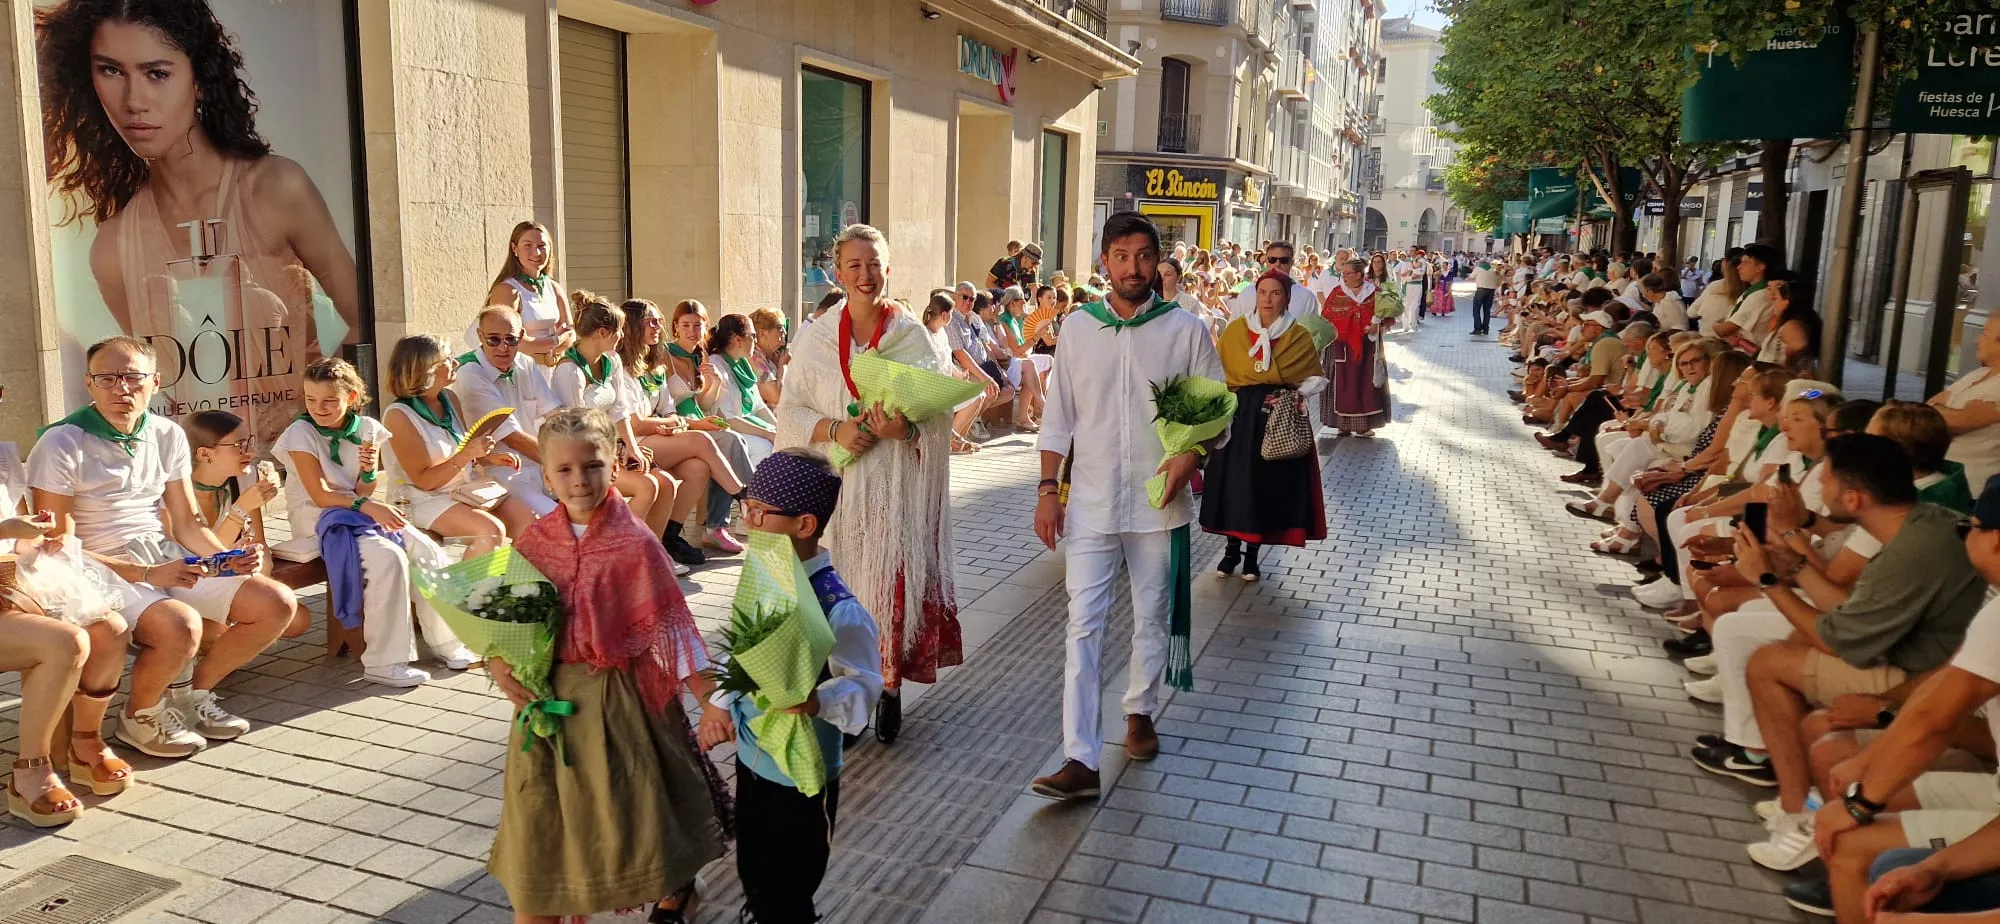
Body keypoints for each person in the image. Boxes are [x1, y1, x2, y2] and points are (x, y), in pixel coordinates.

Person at [488, 407, 730, 924]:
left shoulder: (636, 543)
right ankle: (548, 901)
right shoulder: (533, 542)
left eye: (592, 465)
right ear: (546, 476)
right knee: (542, 824)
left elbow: (673, 626)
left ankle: (676, 887)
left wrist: (711, 700)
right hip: (546, 710)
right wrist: (499, 665)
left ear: (615, 465)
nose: (579, 480)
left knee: (637, 812)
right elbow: (509, 623)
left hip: (620, 702)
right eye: (565, 469)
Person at [1032, 212, 1224, 800]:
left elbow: (1216, 412)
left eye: (1143, 256)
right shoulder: (1077, 328)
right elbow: (1058, 416)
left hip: (1158, 501)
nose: (1133, 268)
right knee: (1082, 625)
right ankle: (1079, 758)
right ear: (1104, 262)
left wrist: (1191, 456)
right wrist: (1047, 490)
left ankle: (1139, 710)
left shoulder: (1185, 330)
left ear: (1157, 261)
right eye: (1121, 256)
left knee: (1152, 613)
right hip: (1090, 499)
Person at [29, 337, 294, 758]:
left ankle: (189, 697)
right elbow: (57, 546)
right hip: (95, 570)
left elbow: (187, 522)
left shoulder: (166, 433)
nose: (121, 388)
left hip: (160, 554)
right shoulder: (62, 442)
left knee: (275, 602)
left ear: (155, 382)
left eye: (132, 377)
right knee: (181, 625)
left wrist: (226, 560)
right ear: (89, 383)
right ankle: (139, 716)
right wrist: (148, 575)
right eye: (106, 378)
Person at [775, 223, 962, 744]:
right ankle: (845, 694)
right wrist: (835, 429)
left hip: (891, 489)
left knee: (885, 591)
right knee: (836, 597)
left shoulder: (911, 336)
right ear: (838, 273)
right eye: (854, 265)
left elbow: (940, 413)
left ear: (888, 270)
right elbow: (789, 411)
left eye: (874, 264)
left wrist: (905, 430)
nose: (865, 274)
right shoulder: (817, 337)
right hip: (832, 492)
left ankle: (888, 688)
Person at [700, 449, 881, 924]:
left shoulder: (838, 608)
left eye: (761, 512)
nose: (748, 521)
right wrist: (719, 702)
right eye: (747, 507)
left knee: (793, 874)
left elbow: (865, 686)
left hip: (803, 772)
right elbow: (743, 645)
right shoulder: (766, 571)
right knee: (753, 858)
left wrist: (818, 700)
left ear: (804, 525)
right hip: (752, 755)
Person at [276, 358, 475, 687]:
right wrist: (368, 506)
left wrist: (368, 473)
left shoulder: (367, 428)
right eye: (311, 399)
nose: (318, 408)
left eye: (329, 400)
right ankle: (384, 662)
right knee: (389, 558)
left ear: (351, 397)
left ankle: (447, 644)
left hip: (359, 512)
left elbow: (363, 488)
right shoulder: (300, 432)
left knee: (428, 550)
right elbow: (321, 495)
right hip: (321, 520)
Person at [0, 511, 131, 827]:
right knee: (66, 642)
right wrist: (5, 530)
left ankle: (85, 744)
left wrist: (37, 542)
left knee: (109, 629)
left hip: (12, 592)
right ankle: (30, 770)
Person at [1201, 270, 1328, 580]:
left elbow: (1313, 376)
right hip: (1238, 414)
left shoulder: (1298, 336)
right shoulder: (1236, 331)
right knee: (1234, 482)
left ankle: (1252, 555)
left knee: (1265, 485)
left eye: (1275, 293)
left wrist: (1295, 394)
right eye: (1262, 292)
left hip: (1275, 416)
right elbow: (1218, 371)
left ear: (1287, 297)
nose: (1268, 299)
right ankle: (1231, 550)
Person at [548, 300, 682, 560]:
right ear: (602, 332)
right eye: (619, 330)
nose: (622, 335)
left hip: (607, 450)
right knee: (647, 486)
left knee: (665, 483)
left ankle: (650, 556)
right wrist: (609, 457)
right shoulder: (569, 371)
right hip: (578, 461)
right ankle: (615, 556)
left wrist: (631, 449)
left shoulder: (612, 360)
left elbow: (620, 410)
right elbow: (574, 432)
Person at [618, 298, 750, 563]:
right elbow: (635, 423)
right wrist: (671, 423)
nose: (658, 326)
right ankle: (744, 497)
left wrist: (672, 421)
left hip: (657, 436)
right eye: (651, 322)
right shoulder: (622, 368)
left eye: (659, 321)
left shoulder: (653, 365)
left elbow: (669, 410)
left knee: (698, 469)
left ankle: (670, 536)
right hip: (629, 443)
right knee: (702, 440)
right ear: (633, 326)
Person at [383, 334, 536, 555]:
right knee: (489, 531)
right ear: (427, 369)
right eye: (448, 359)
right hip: (421, 498)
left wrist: (488, 458)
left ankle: (511, 576)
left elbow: (460, 450)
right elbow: (424, 481)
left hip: (463, 489)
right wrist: (467, 455)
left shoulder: (448, 398)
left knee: (527, 520)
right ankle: (467, 579)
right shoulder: (399, 415)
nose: (456, 362)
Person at [181, 412, 311, 638]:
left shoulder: (243, 478)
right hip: (189, 582)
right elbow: (202, 555)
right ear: (205, 454)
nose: (250, 452)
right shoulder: (176, 491)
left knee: (297, 620)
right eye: (239, 445)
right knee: (218, 636)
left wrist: (261, 574)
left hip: (232, 575)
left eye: (249, 442)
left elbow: (259, 543)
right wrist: (241, 508)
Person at [452, 306, 563, 518]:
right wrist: (564, 461)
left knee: (594, 506)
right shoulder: (469, 373)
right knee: (555, 520)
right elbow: (513, 438)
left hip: (540, 464)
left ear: (521, 336)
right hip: (500, 472)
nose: (503, 347)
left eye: (511, 340)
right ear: (480, 336)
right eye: (494, 339)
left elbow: (556, 415)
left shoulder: (525, 362)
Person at [1319, 257, 1394, 438]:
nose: (1343, 277)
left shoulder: (1374, 292)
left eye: (1347, 273)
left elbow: (1389, 313)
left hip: (1368, 345)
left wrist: (1378, 324)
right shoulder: (1338, 292)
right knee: (1342, 384)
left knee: (1365, 383)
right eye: (1343, 273)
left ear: (1359, 274)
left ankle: (1363, 426)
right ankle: (1342, 425)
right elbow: (1327, 315)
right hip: (1341, 346)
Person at [481, 221, 576, 364]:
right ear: (514, 248)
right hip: (522, 370)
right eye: (528, 245)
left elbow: (571, 336)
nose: (536, 253)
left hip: (554, 369)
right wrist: (556, 340)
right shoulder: (507, 290)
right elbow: (513, 343)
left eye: (541, 246)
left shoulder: (555, 288)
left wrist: (540, 347)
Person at [1927, 313, 2000, 489]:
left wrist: (1942, 411)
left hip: (1970, 487)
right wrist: (1945, 411)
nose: (1977, 341)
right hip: (1941, 477)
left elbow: (1953, 422)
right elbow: (1926, 410)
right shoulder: (1978, 374)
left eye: (1984, 334)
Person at [704, 313, 781, 469]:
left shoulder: (743, 363)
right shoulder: (717, 365)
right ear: (738, 340)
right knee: (764, 447)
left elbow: (758, 406)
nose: (756, 341)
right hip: (727, 430)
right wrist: (767, 434)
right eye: (753, 336)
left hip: (746, 425)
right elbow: (729, 419)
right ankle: (754, 485)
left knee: (783, 441)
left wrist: (779, 429)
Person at [1715, 242, 1781, 353]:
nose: (1739, 267)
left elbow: (1725, 329)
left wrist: (1715, 325)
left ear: (1760, 267)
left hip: (1747, 355)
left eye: (1745, 263)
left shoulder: (1759, 296)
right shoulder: (1750, 292)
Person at [1226, 242, 1318, 320]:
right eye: (1272, 260)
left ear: (1291, 263)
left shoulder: (1307, 297)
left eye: (1284, 260)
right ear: (1266, 262)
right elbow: (1232, 329)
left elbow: (1313, 333)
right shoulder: (1248, 293)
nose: (1277, 264)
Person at [1761, 277, 1823, 372]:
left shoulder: (1792, 324)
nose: (1773, 303)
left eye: (1776, 299)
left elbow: (1799, 344)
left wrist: (1788, 362)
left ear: (1786, 302)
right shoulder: (1797, 322)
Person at [748, 308, 789, 409]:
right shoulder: (754, 358)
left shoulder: (774, 356)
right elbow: (776, 397)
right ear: (762, 333)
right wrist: (782, 367)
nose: (784, 332)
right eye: (779, 327)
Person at [1469, 256, 1501, 336]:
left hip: (1481, 290)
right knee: (1487, 310)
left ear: (1480, 263)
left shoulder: (1478, 269)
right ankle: (1486, 329)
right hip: (1491, 291)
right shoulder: (1492, 270)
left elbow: (1471, 277)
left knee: (1476, 309)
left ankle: (1477, 328)